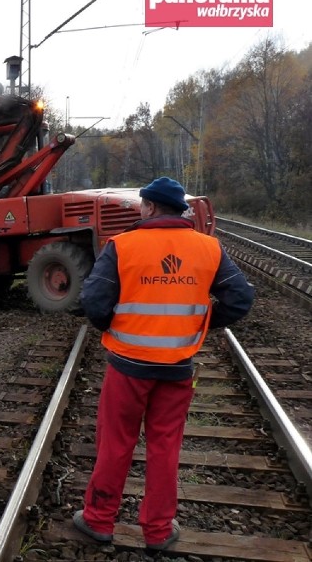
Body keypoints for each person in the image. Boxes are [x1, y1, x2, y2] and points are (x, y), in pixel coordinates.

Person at [72, 177, 254, 551]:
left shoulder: (122, 246)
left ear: (151, 208)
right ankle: (157, 531)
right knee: (165, 447)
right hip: (177, 370)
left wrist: (116, 325)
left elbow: (92, 301)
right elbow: (239, 300)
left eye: (142, 205)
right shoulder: (209, 248)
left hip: (127, 368)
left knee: (115, 444)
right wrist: (197, 323)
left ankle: (98, 520)